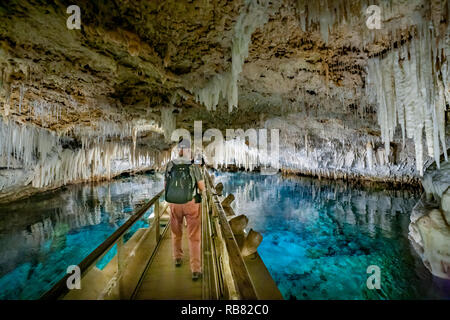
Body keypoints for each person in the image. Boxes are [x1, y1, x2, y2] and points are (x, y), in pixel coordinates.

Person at [164, 138, 205, 281]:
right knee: (194, 237)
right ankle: (195, 269)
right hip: (191, 203)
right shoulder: (194, 167)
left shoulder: (170, 165)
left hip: (174, 204)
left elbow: (166, 187)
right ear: (188, 150)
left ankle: (177, 258)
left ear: (178, 150)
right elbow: (201, 188)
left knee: (176, 233)